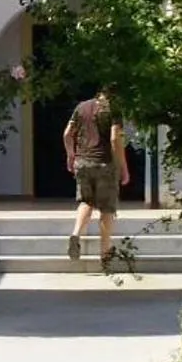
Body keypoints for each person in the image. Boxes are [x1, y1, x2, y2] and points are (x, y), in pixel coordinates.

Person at [65, 86, 128, 271]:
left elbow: (67, 133)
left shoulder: (82, 107)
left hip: (83, 162)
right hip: (105, 164)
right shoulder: (113, 110)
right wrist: (123, 167)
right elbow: (115, 139)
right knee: (106, 209)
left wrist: (71, 155)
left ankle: (76, 233)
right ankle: (105, 255)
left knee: (86, 202)